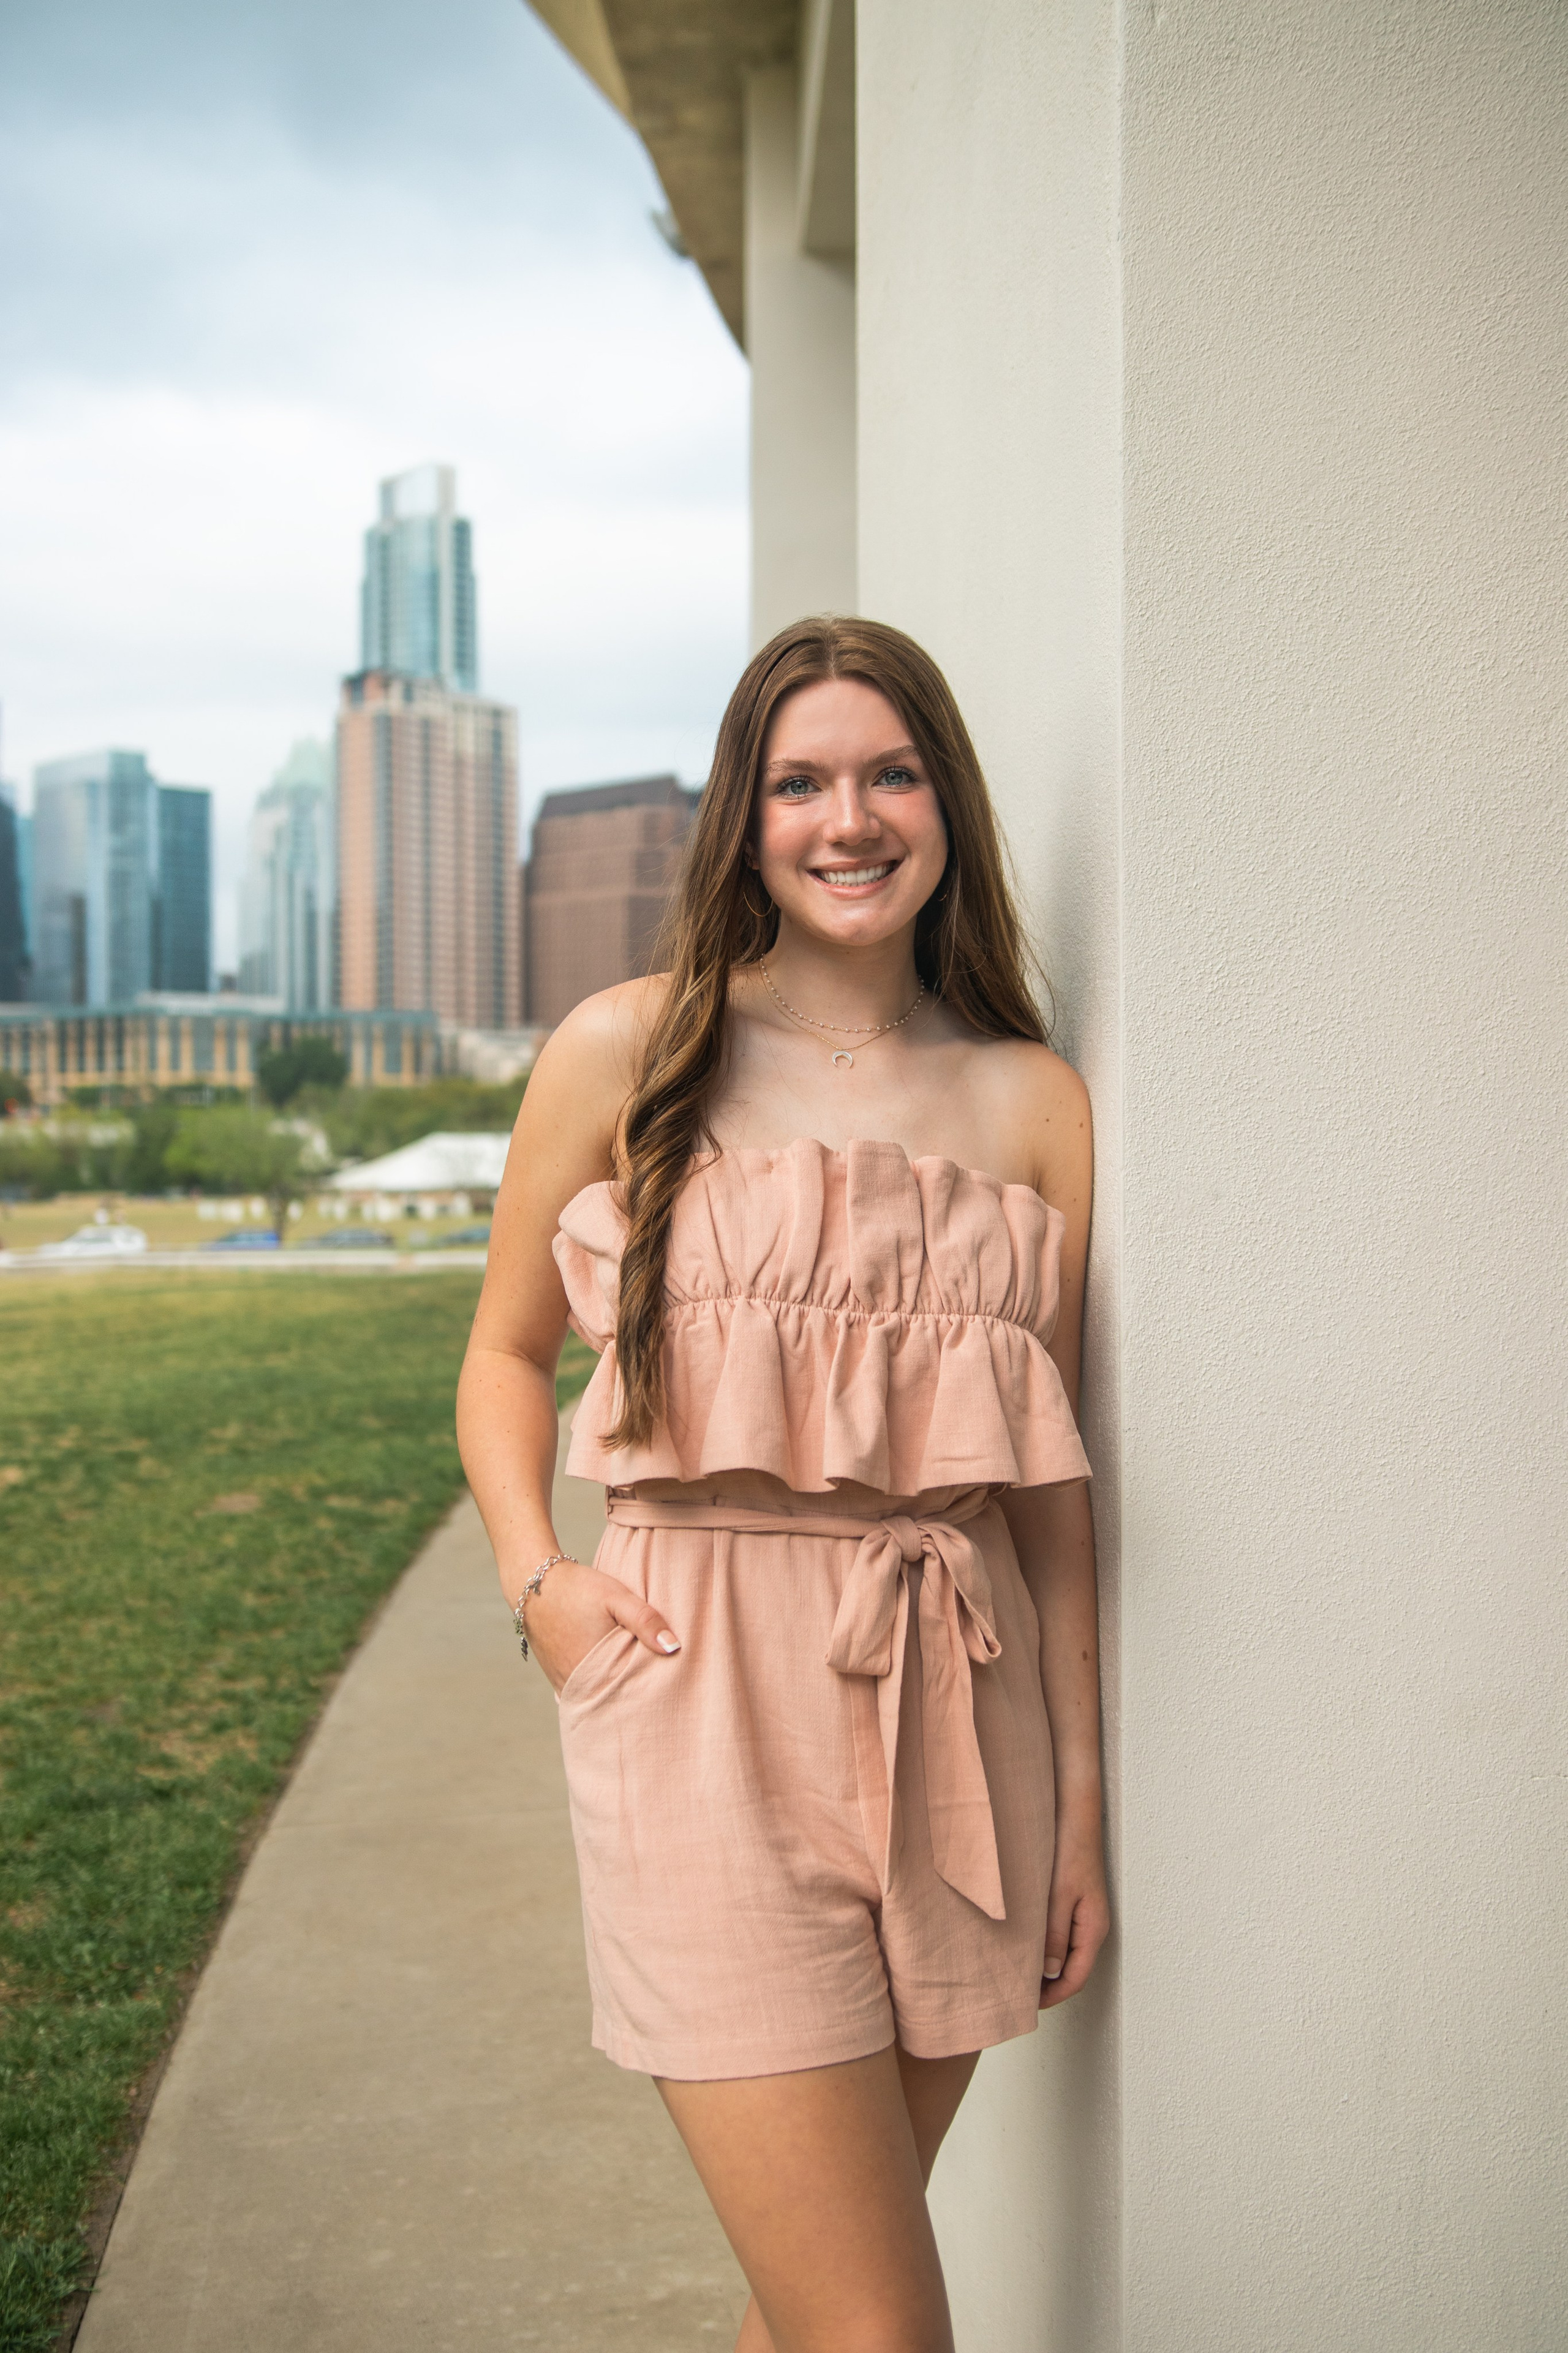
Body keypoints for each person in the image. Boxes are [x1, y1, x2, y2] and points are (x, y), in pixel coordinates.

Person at [457, 615, 1109, 2353]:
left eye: (891, 773)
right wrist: (543, 1588)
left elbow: (1051, 1493)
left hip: (961, 1732)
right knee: (880, 2333)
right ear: (743, 818)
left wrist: (1087, 1806)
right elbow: (502, 1355)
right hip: (697, 1704)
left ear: (945, 804)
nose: (850, 817)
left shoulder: (1035, 1101)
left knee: (810, 2311)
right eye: (799, 779)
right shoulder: (629, 1048)